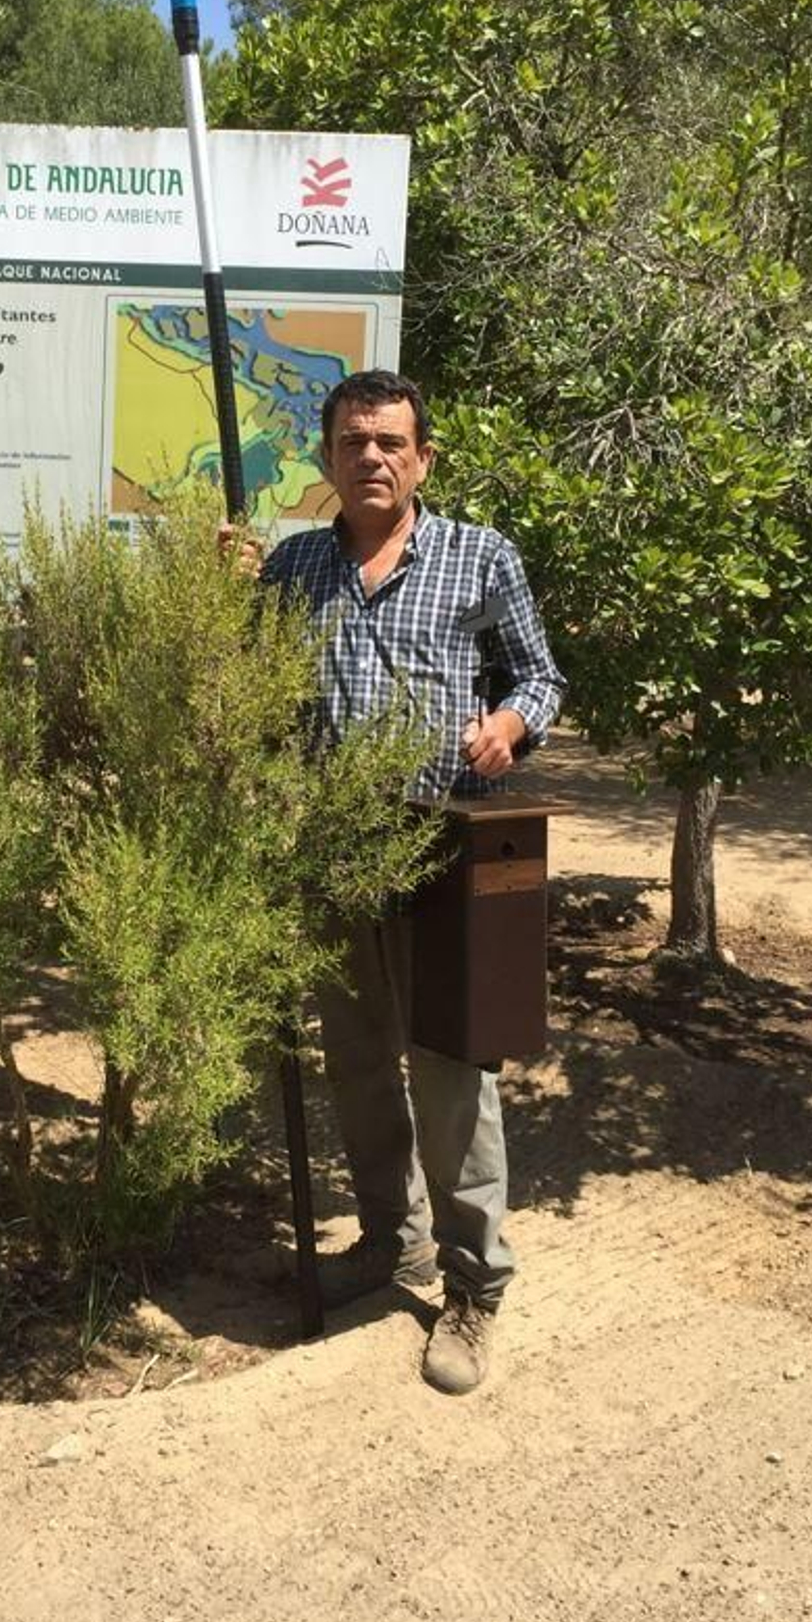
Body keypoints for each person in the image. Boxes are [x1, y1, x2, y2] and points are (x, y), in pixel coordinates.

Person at [261, 369, 564, 1395]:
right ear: (326, 458)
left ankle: (475, 1286)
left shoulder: (479, 556)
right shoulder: (294, 566)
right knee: (354, 1060)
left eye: (391, 442)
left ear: (422, 457)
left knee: (450, 1073)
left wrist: (510, 723)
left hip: (444, 852)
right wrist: (228, 600)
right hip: (334, 849)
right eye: (353, 443)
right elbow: (252, 683)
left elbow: (540, 675)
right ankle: (391, 1243)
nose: (372, 459)